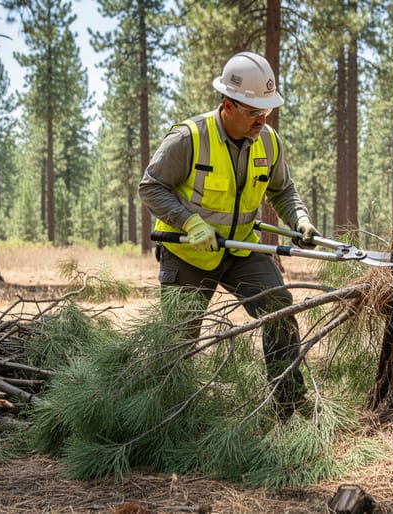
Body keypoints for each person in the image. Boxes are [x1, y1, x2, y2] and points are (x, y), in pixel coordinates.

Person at [138, 51, 320, 418]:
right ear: (227, 104)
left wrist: (299, 220)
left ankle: (289, 405)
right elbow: (151, 187)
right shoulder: (188, 138)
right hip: (188, 253)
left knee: (278, 312)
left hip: (241, 249)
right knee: (179, 340)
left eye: (265, 111)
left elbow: (283, 190)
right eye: (253, 112)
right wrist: (189, 221)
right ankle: (172, 417)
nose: (261, 120)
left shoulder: (268, 141)